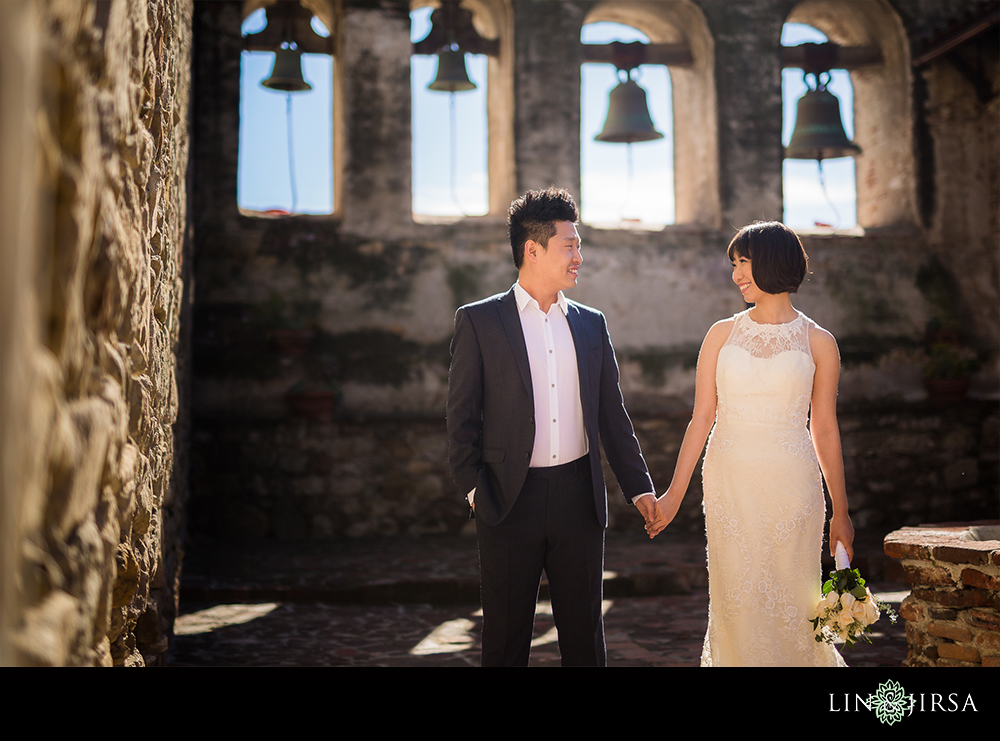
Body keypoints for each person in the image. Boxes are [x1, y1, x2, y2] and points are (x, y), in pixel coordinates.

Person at [447, 186, 657, 666]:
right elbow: (461, 419)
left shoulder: (591, 325)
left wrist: (639, 489)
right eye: (570, 245)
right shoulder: (478, 322)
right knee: (504, 639)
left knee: (586, 640)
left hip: (578, 500)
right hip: (506, 500)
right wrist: (477, 491)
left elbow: (612, 415)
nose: (579, 256)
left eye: (578, 245)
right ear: (533, 250)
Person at [645, 221, 854, 667]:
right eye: (734, 264)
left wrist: (842, 510)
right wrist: (673, 495)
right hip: (729, 487)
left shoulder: (819, 343)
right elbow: (701, 418)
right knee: (736, 602)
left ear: (773, 262)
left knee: (795, 604)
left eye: (744, 262)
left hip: (794, 488)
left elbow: (826, 429)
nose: (736, 273)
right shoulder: (720, 335)